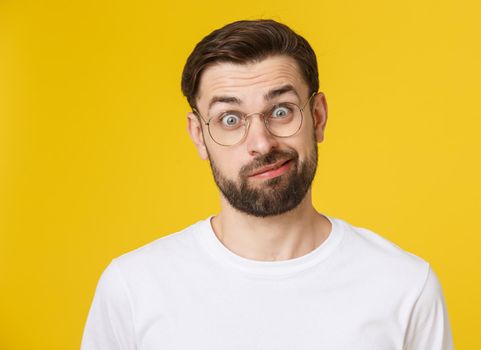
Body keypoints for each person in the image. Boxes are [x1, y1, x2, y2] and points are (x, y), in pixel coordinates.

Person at [81, 19, 453, 350]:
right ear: (199, 136)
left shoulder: (405, 286)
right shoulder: (133, 289)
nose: (260, 142)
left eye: (281, 111)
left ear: (318, 116)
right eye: (229, 119)